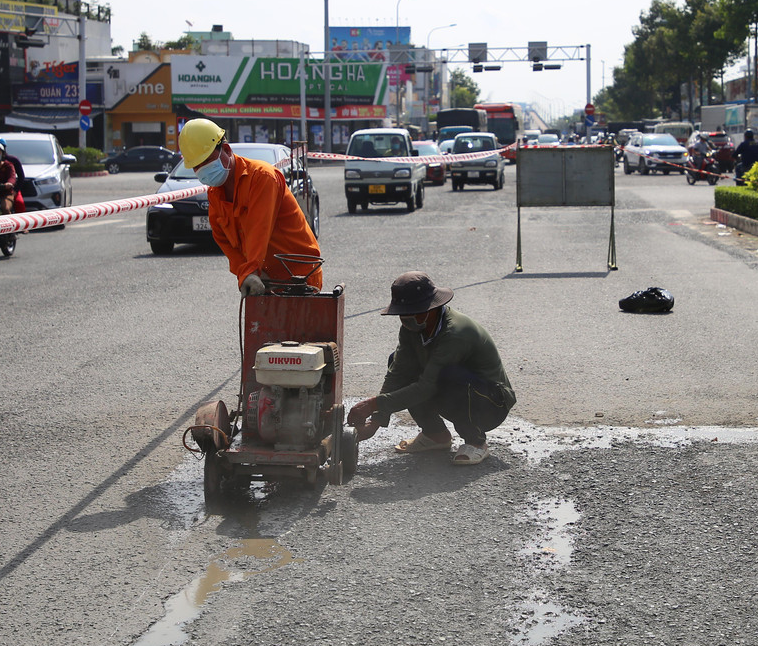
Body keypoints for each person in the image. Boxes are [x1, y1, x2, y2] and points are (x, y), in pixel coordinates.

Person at [347, 272, 516, 466]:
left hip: (491, 402)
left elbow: (427, 387)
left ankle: (476, 442)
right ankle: (435, 434)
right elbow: (399, 372)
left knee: (449, 376)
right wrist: (376, 419)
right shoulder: (412, 329)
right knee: (396, 360)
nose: (406, 319)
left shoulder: (455, 333)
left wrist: (373, 404)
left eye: (414, 311)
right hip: (453, 388)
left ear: (432, 308)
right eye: (403, 313)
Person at [178, 118, 322, 295]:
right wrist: (245, 273)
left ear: (226, 149)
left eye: (206, 161)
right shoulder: (216, 194)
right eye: (196, 166)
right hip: (264, 281)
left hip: (299, 277)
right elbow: (223, 239)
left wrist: (252, 269)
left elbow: (259, 228)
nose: (202, 170)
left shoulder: (262, 177)